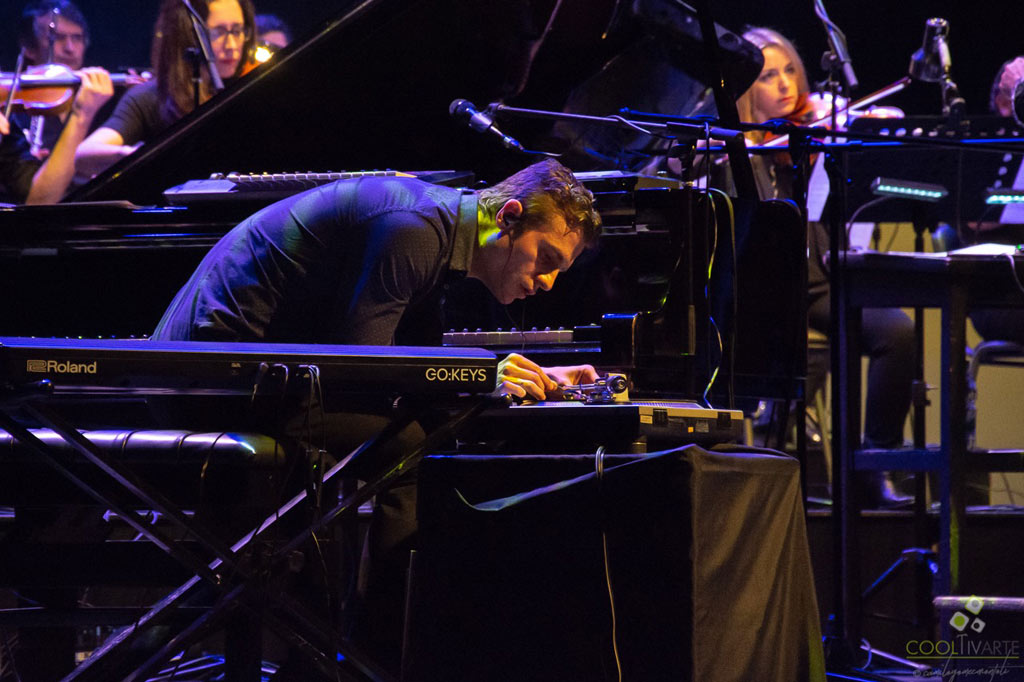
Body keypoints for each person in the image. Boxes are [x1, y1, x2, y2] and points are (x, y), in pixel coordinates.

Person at [150, 158, 602, 671]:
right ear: (509, 218)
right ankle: (383, 656)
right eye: (546, 258)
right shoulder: (414, 231)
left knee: (426, 434)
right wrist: (482, 377)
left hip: (258, 376)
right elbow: (363, 370)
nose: (548, 282)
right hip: (212, 379)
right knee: (416, 450)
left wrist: (521, 375)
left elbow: (411, 366)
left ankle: (372, 650)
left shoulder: (437, 231)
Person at [733, 28, 915, 506]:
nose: (785, 84)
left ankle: (874, 462)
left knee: (898, 332)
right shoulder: (739, 152)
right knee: (799, 350)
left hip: (821, 282)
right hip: (767, 289)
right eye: (768, 75)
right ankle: (772, 456)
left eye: (791, 70)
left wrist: (835, 144)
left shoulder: (813, 138)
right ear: (747, 87)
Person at [74, 0, 256, 177]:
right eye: (218, 32)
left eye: (237, 31)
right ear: (188, 36)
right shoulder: (151, 97)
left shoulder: (247, 90)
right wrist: (135, 155)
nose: (231, 45)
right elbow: (85, 154)